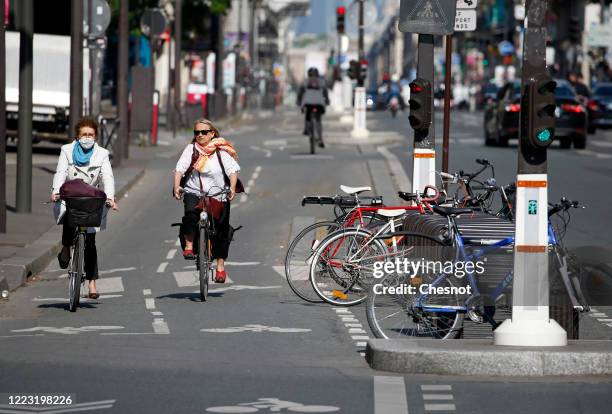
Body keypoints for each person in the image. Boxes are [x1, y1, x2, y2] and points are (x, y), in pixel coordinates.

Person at [51, 117, 117, 299]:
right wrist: (56, 191)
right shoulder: (67, 150)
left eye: (91, 135)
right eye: (84, 135)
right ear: (77, 136)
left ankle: (92, 283)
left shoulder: (102, 154)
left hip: (90, 198)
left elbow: (108, 177)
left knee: (90, 242)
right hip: (71, 194)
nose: (87, 138)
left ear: (96, 136)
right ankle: (66, 247)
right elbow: (61, 172)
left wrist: (110, 198)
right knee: (69, 219)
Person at [173, 119, 240, 283]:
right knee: (190, 215)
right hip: (194, 191)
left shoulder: (220, 151)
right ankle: (189, 246)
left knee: (221, 230)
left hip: (218, 194)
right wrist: (176, 186)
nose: (200, 135)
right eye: (197, 132)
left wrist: (231, 188)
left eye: (204, 132)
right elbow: (180, 169)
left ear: (212, 134)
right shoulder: (191, 149)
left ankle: (220, 268)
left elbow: (232, 171)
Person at [297, 67, 329, 148]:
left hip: (308, 103)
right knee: (318, 120)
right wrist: (327, 101)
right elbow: (325, 92)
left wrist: (299, 101)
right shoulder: (322, 81)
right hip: (319, 103)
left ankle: (307, 130)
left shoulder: (305, 81)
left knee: (307, 115)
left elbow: (300, 92)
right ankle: (320, 138)